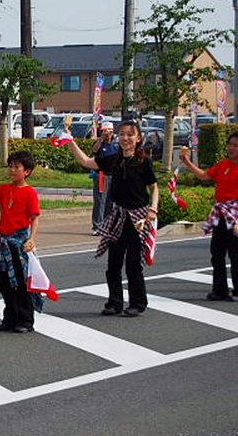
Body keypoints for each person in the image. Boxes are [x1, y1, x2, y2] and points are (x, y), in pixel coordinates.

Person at [66, 120, 159, 317]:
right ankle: (114, 302)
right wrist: (70, 142)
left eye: (129, 135)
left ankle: (137, 303)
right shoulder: (113, 159)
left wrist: (153, 209)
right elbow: (86, 162)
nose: (125, 138)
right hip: (118, 216)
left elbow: (154, 187)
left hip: (139, 217)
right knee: (113, 264)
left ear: (138, 139)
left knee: (133, 264)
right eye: (122, 134)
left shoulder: (144, 161)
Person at [0, 151, 42, 333]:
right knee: (4, 281)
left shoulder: (30, 192)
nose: (12, 170)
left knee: (20, 283)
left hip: (19, 242)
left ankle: (26, 320)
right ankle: (10, 318)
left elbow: (34, 218)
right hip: (3, 242)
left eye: (16, 167)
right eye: (10, 166)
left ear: (27, 171)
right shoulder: (5, 189)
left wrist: (32, 239)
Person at [180, 138, 238, 301]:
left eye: (236, 145)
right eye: (230, 144)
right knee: (217, 253)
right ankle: (220, 290)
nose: (232, 148)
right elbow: (205, 176)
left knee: (235, 254)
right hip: (220, 213)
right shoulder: (223, 164)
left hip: (236, 214)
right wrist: (187, 162)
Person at [91, 121, 118, 235]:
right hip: (101, 175)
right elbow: (94, 150)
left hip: (113, 175)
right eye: (104, 131)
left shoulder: (116, 144)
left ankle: (108, 225)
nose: (107, 134)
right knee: (100, 200)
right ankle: (97, 226)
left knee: (110, 201)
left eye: (109, 131)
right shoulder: (100, 144)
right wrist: (101, 139)